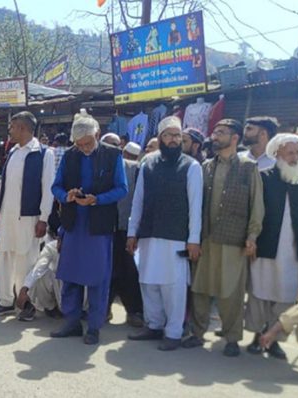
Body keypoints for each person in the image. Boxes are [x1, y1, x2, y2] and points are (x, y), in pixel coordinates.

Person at [183, 119, 265, 357]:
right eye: (215, 132)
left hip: (233, 239)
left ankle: (231, 338)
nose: (215, 136)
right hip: (206, 238)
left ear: (235, 138)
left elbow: (256, 204)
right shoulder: (206, 166)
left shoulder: (249, 167)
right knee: (200, 288)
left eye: (221, 133)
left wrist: (252, 235)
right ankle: (197, 334)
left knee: (231, 292)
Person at [126, 116, 203, 351]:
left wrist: (194, 240)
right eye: (168, 135)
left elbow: (195, 206)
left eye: (177, 136)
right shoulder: (147, 163)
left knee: (174, 287)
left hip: (176, 236)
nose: (173, 140)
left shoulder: (191, 166)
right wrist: (132, 232)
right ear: (160, 138)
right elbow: (138, 201)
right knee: (148, 282)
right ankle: (154, 325)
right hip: (148, 233)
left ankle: (173, 332)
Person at [50, 112, 127, 345]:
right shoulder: (70, 156)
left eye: (87, 143)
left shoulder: (113, 155)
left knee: (97, 278)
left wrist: (97, 200)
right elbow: (56, 187)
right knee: (70, 276)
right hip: (74, 225)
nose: (83, 148)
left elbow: (121, 189)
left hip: (99, 226)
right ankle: (71, 322)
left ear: (98, 135)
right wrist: (67, 196)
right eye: (79, 144)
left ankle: (94, 327)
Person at [245, 133, 298, 359]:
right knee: (260, 292)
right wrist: (251, 238)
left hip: (293, 248)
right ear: (277, 154)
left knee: (285, 294)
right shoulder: (263, 176)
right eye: (290, 152)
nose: (295, 157)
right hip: (265, 244)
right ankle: (257, 336)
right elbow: (253, 212)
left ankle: (274, 338)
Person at [0, 112, 56, 316]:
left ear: (23, 128)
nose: (10, 130)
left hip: (29, 217)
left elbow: (48, 188)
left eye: (12, 126)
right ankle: (6, 300)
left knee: (27, 258)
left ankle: (28, 302)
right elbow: (4, 186)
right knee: (6, 256)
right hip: (7, 216)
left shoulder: (44, 153)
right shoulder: (13, 152)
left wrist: (43, 218)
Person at [110, 141, 144, 328]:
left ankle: (134, 311)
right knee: (107, 272)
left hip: (126, 230)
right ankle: (102, 309)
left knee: (128, 273)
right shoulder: (100, 166)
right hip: (105, 230)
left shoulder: (136, 169)